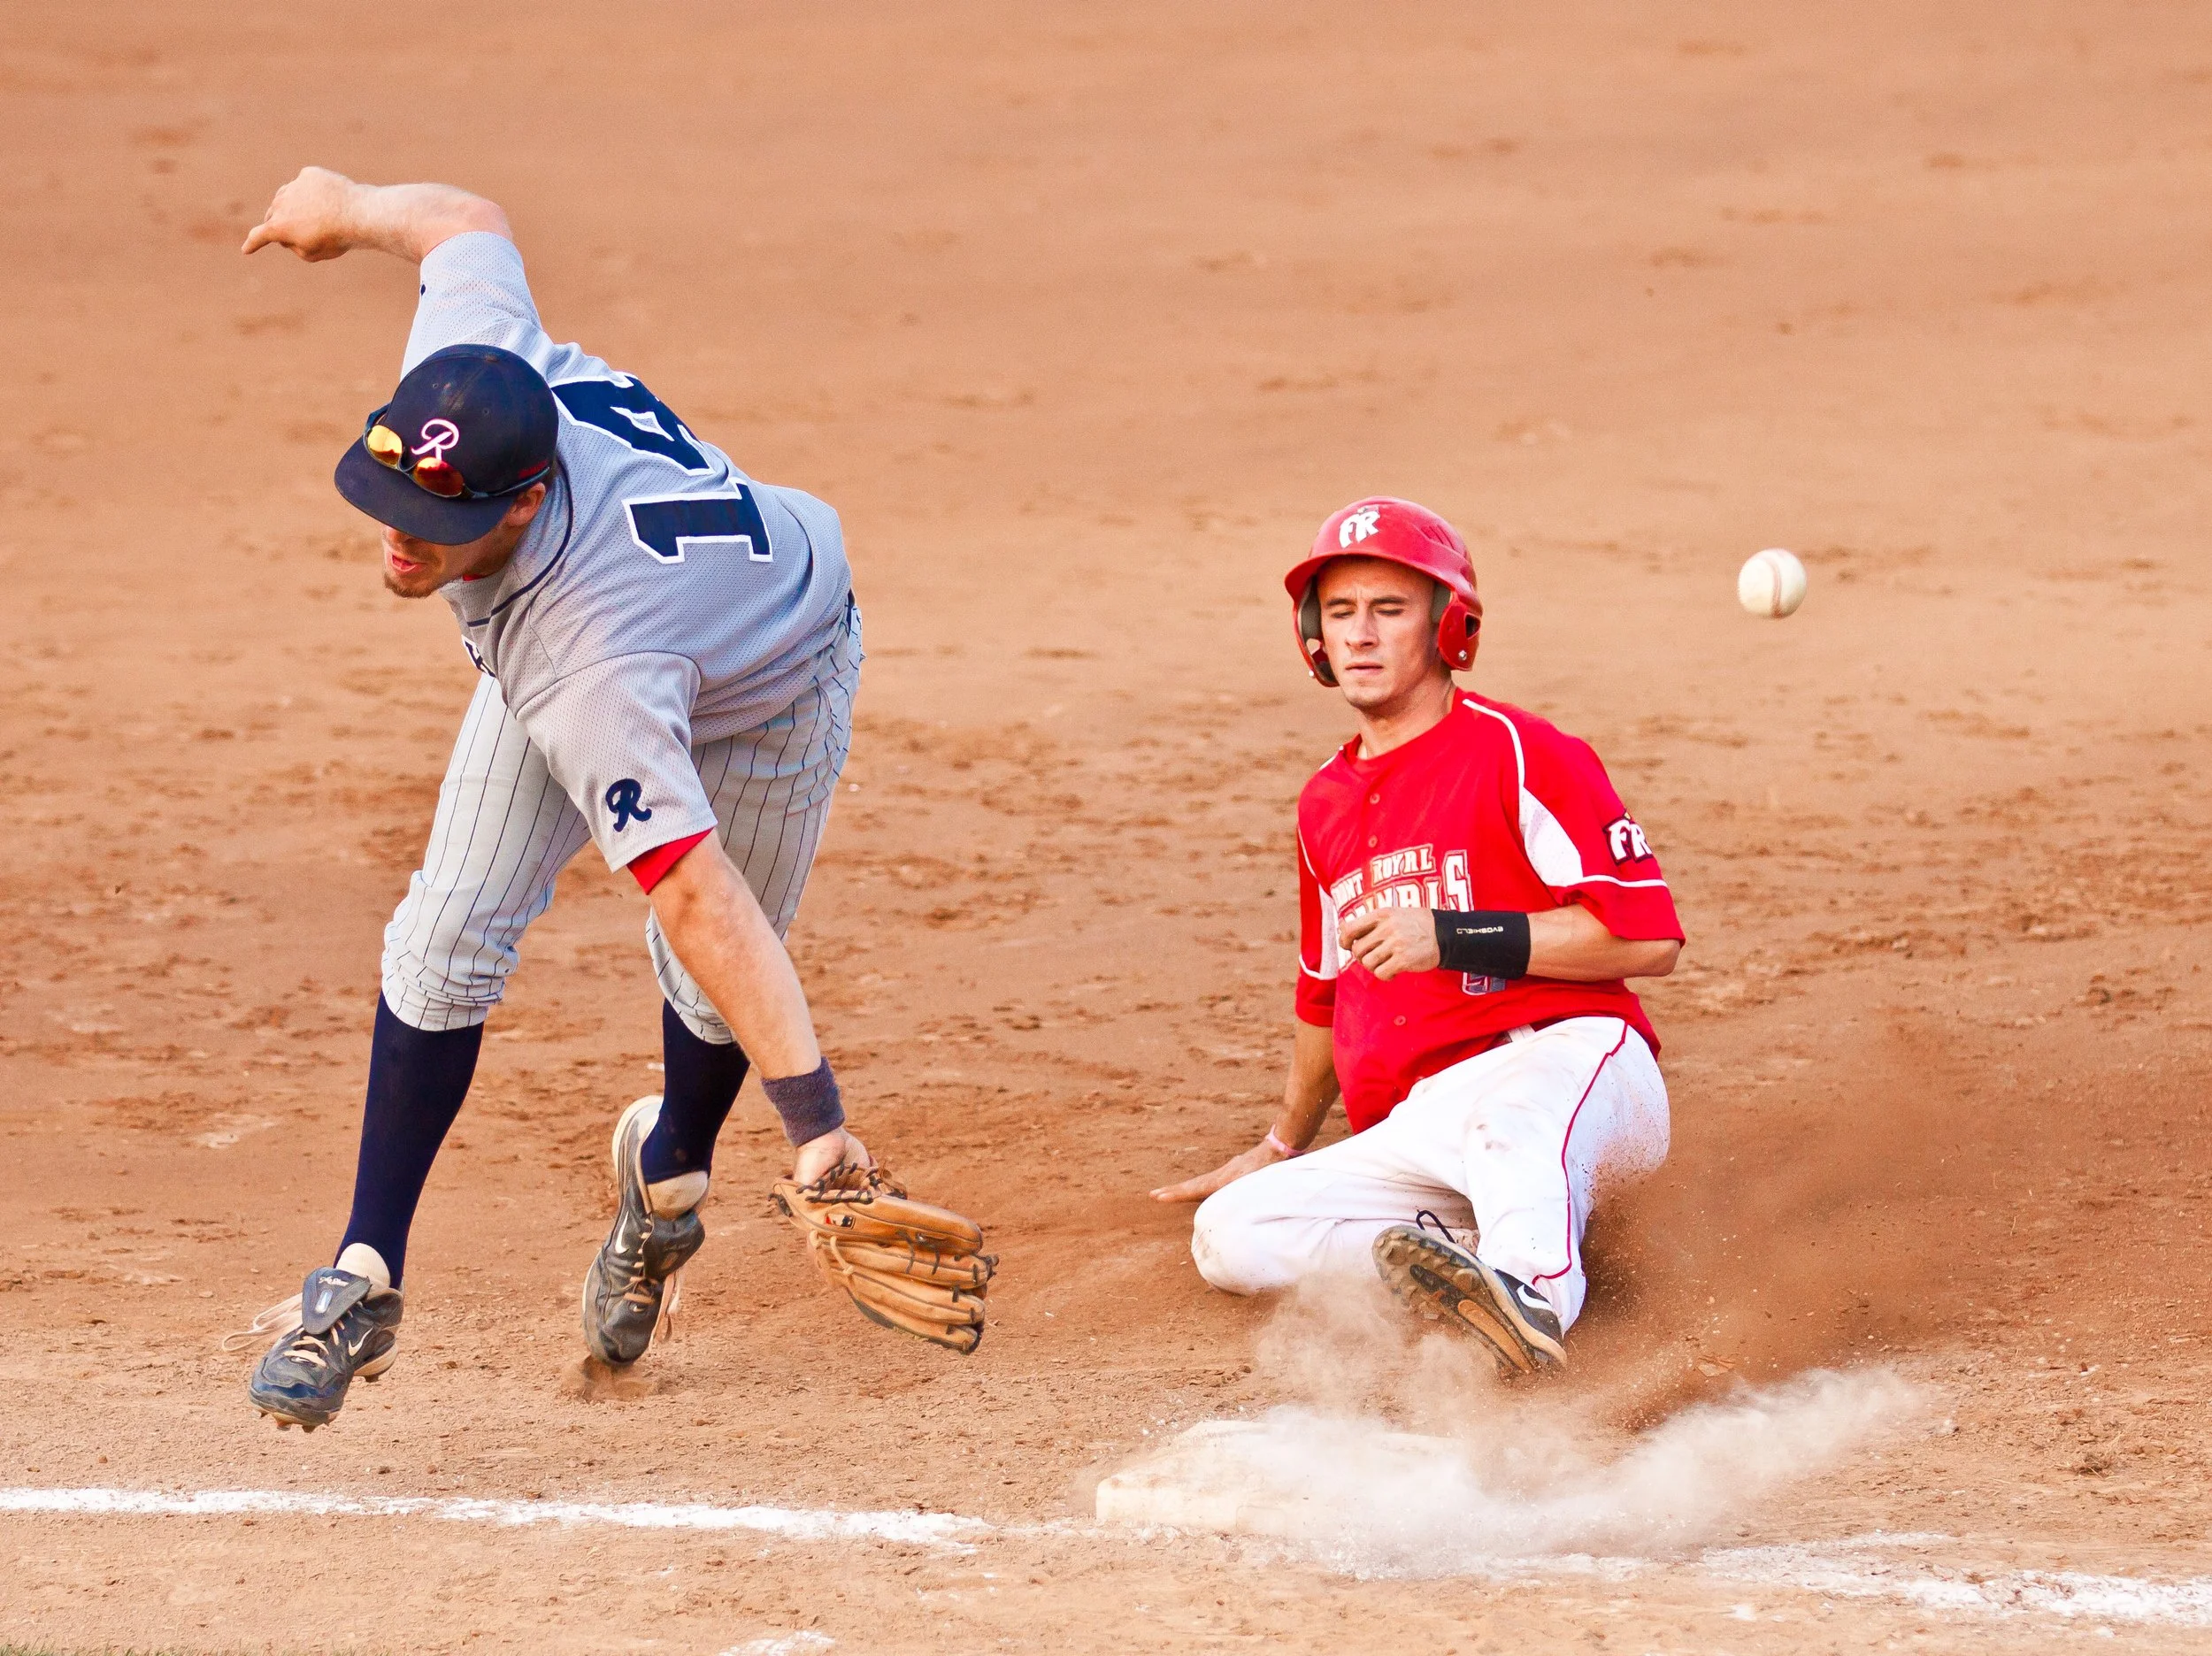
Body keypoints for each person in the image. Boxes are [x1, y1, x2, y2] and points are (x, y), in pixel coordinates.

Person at [234, 168, 869, 1430]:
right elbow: (468, 224)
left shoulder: (591, 667)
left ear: (524, 502)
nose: (398, 540)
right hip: (623, 623)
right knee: (443, 932)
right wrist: (348, 204)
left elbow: (695, 895)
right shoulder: (474, 370)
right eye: (390, 501)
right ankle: (362, 1275)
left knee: (709, 980)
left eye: (433, 522)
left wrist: (819, 1128)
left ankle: (672, 1177)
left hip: (774, 674)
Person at [1152, 498, 1683, 1376]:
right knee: (1235, 1232)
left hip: (1568, 1067)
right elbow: (1323, 989)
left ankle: (1528, 1305)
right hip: (1424, 1123)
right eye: (1339, 611)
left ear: (1448, 627)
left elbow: (1644, 941)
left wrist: (1457, 935)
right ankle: (1488, 1250)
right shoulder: (1322, 802)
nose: (1358, 635)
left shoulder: (1523, 751)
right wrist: (1282, 1144)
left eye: (1388, 610)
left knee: (1512, 1122)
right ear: (1311, 634)